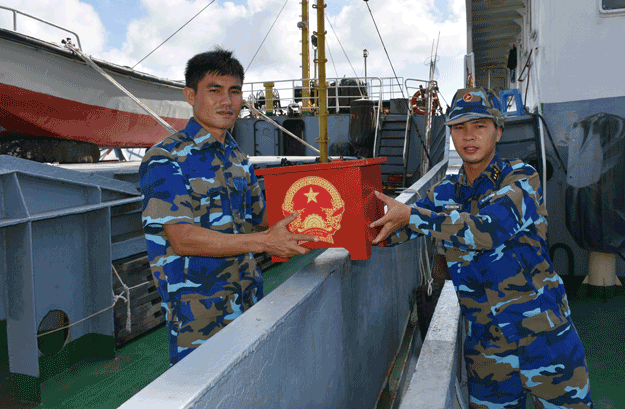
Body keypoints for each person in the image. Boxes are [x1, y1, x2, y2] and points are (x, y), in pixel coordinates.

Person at [371, 87, 593, 408]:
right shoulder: (444, 191)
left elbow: (487, 230)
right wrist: (330, 228)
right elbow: (391, 230)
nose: (469, 136)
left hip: (543, 336)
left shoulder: (521, 178)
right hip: (487, 347)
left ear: (498, 131)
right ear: (450, 134)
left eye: (480, 126)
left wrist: (413, 216)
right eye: (459, 127)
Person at [140, 47, 318, 365]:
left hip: (248, 298)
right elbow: (181, 237)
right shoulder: (162, 159)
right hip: (198, 315)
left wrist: (331, 214)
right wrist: (264, 242)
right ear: (190, 95)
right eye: (215, 90)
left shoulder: (237, 158)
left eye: (234, 91)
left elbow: (261, 220)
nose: (227, 101)